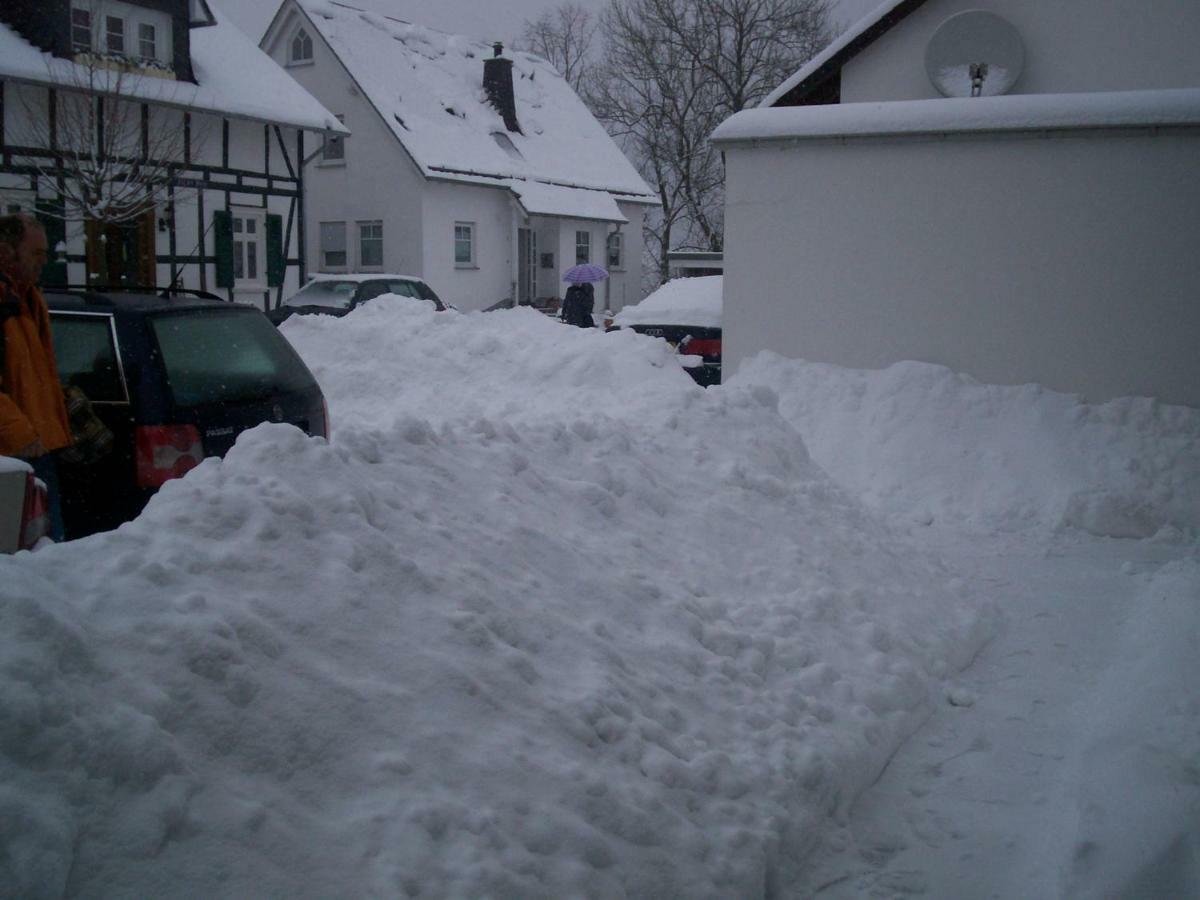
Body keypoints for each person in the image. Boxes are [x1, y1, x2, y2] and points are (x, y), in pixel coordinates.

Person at [0, 214, 71, 541]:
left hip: (40, 448)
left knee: (50, 546)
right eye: (36, 253)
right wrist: (22, 434)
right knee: (30, 556)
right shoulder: (6, 303)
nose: (44, 261)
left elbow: (34, 376)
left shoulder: (29, 299)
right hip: (12, 457)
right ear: (6, 251)